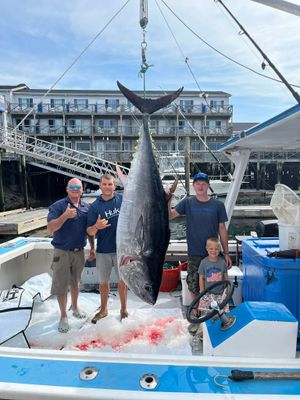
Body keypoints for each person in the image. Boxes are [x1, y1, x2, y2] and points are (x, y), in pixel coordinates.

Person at [169, 172, 232, 298]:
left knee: (215, 282)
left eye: (203, 183)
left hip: (213, 251)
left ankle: (212, 308)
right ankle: (196, 309)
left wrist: (226, 253)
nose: (200, 186)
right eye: (198, 183)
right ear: (193, 185)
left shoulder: (218, 205)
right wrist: (168, 198)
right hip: (195, 252)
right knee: (193, 283)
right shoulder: (187, 202)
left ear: (208, 186)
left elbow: (222, 229)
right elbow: (169, 216)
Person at [47, 178, 95, 333]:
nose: (75, 189)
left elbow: (89, 231)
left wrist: (92, 247)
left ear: (82, 190)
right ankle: (63, 316)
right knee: (61, 286)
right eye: (72, 186)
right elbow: (50, 228)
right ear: (67, 189)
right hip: (61, 252)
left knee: (75, 283)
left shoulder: (87, 207)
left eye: (78, 187)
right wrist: (65, 216)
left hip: (79, 252)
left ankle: (74, 307)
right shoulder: (58, 206)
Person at [86, 174, 128, 323]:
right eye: (104, 184)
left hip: (121, 249)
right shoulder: (95, 206)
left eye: (110, 184)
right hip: (103, 249)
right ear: (100, 186)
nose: (107, 187)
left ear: (114, 186)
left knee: (123, 281)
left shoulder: (122, 200)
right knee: (103, 282)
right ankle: (104, 310)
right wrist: (97, 226)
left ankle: (123, 309)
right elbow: (89, 231)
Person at [198, 237, 229, 314]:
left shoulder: (222, 262)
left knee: (222, 311)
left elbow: (225, 276)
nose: (213, 251)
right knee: (206, 311)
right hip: (207, 292)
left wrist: (227, 288)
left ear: (219, 250)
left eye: (216, 249)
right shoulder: (203, 262)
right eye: (211, 248)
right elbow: (201, 277)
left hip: (220, 293)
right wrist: (202, 290)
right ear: (207, 249)